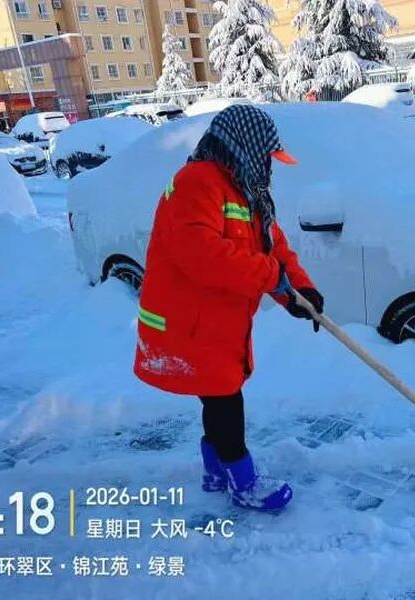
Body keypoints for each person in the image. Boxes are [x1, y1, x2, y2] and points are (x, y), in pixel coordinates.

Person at [133, 105, 323, 512]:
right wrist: (272, 277)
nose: (269, 166)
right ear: (243, 147)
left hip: (216, 323)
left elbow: (274, 246)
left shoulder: (246, 189)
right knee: (224, 400)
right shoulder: (197, 183)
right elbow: (201, 254)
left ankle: (216, 471)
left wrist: (300, 290)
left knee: (218, 397)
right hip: (189, 322)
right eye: (266, 156)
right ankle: (242, 481)